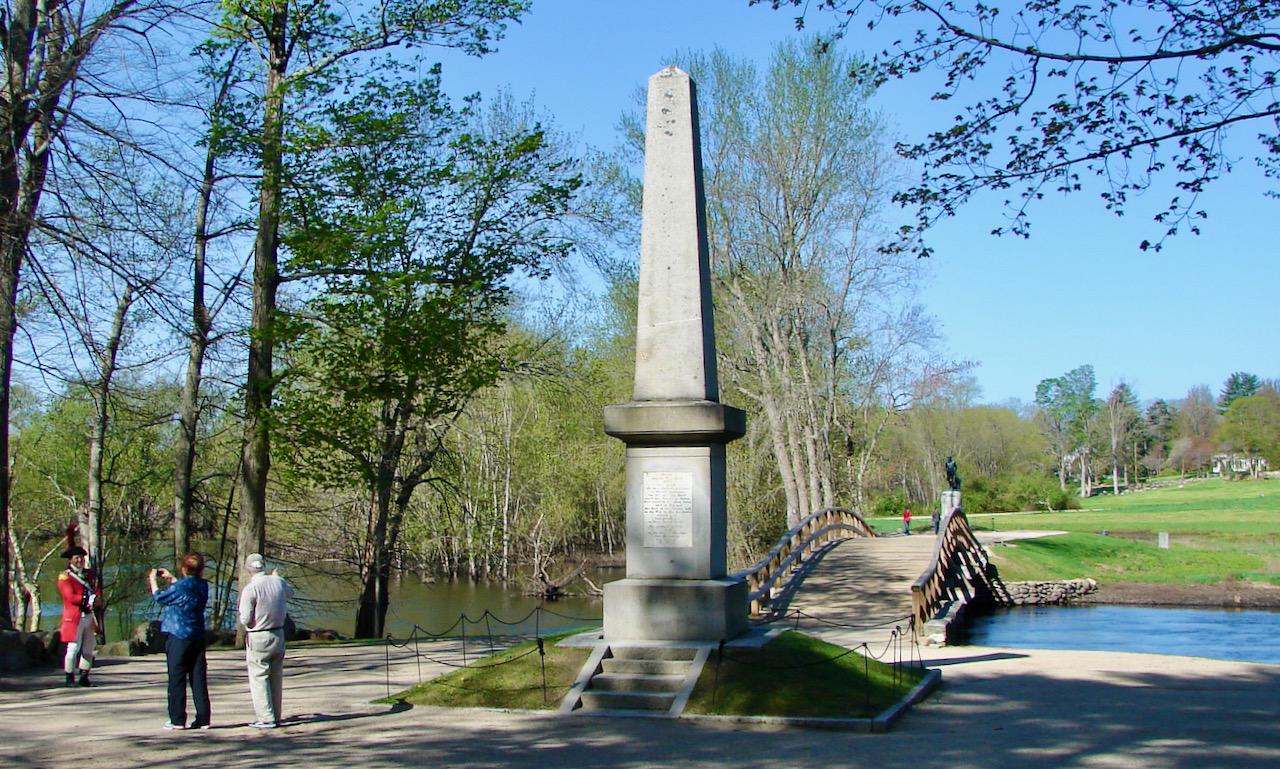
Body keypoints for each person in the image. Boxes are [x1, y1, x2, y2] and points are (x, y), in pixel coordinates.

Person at [149, 552, 212, 731]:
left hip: (178, 635)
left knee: (176, 677)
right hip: (197, 635)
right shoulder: (202, 585)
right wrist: (172, 579)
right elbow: (186, 593)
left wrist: (153, 581)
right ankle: (203, 718)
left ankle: (177, 719)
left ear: (184, 568)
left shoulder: (182, 587)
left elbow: (159, 597)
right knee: (198, 677)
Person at [238, 552, 292, 729]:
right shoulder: (278, 582)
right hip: (278, 633)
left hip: (258, 635)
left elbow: (245, 618)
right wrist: (278, 578)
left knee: (259, 677)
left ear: (248, 569)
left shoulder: (250, 589)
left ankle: (266, 718)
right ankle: (275, 714)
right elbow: (289, 593)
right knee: (276, 676)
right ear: (264, 566)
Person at [57, 546, 97, 687]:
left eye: (81, 557)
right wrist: (88, 599)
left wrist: (97, 598)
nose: (80, 560)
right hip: (75, 617)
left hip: (88, 615)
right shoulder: (65, 576)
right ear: (70, 560)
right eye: (76, 558)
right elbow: (70, 597)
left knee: (88, 647)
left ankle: (84, 677)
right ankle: (69, 678)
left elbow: (95, 588)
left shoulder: (88, 575)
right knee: (73, 648)